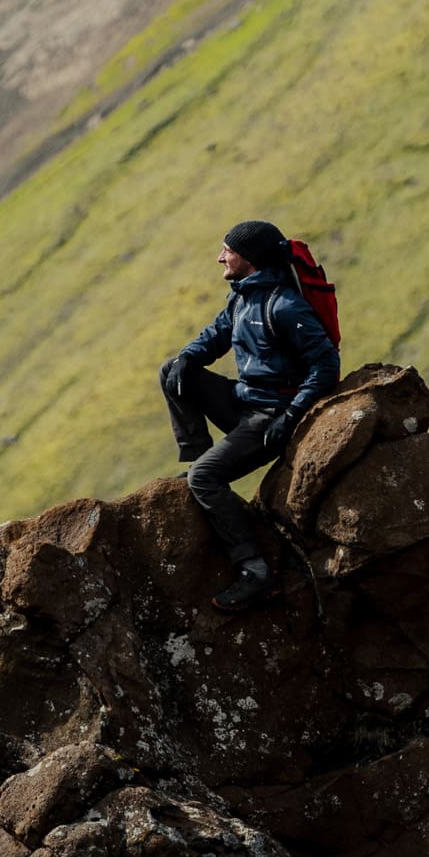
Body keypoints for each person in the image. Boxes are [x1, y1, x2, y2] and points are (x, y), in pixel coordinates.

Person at [161, 219, 340, 611]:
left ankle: (255, 571)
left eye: (227, 249)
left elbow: (326, 365)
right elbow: (215, 334)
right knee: (173, 370)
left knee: (206, 478)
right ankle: (198, 459)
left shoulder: (284, 305)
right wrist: (188, 356)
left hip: (271, 417)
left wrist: (291, 416)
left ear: (250, 257)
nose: (219, 256)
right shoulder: (243, 296)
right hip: (245, 403)